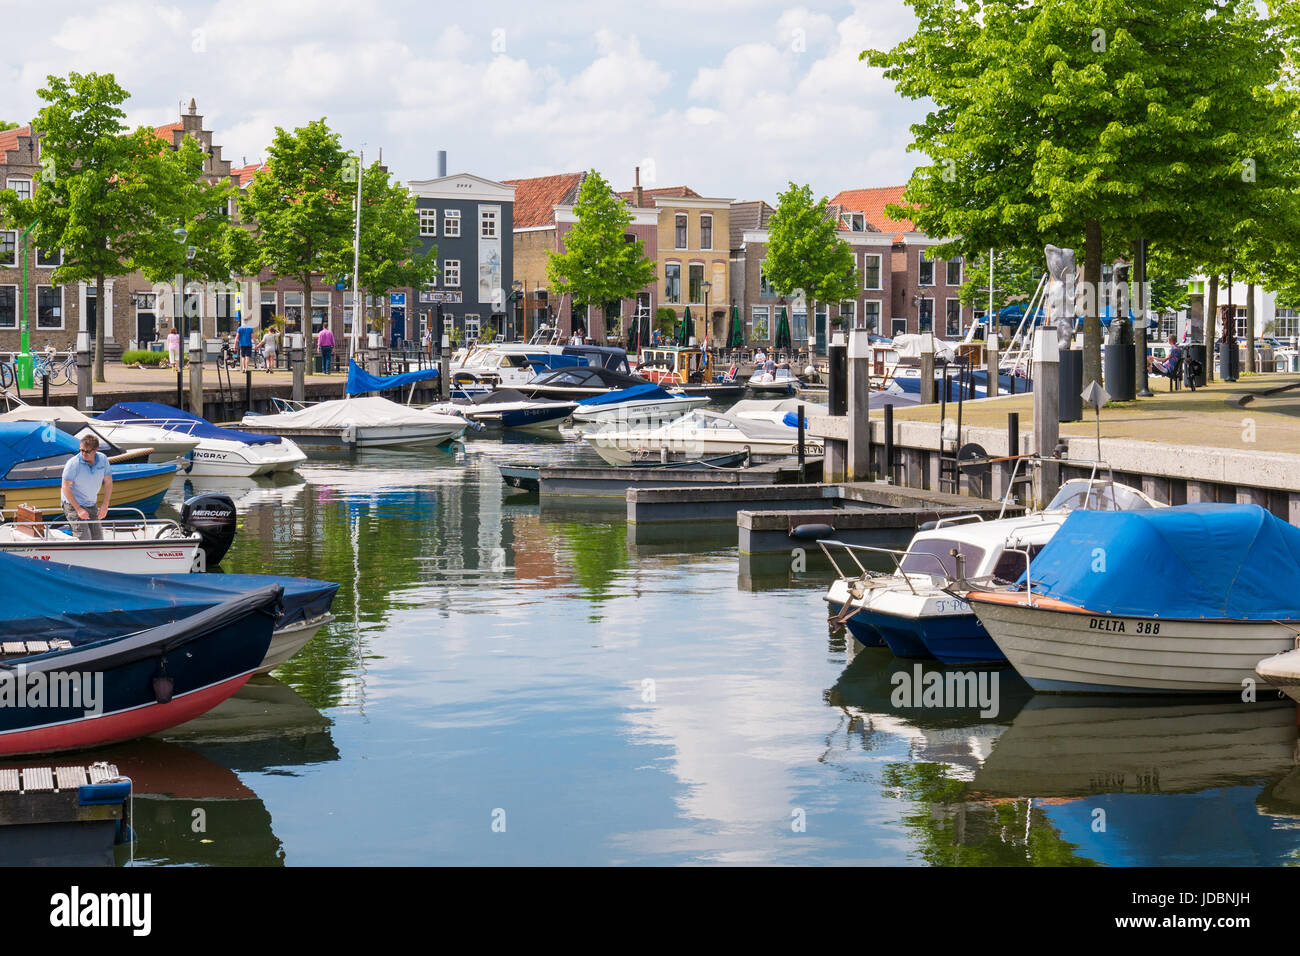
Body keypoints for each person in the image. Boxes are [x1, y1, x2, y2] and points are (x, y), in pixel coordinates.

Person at [60, 434, 112, 542]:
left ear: (95, 450)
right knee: (84, 539)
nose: (83, 453)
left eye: (87, 451)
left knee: (98, 539)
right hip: (73, 504)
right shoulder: (73, 464)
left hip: (91, 503)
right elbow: (65, 487)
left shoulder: (103, 459)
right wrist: (78, 509)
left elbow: (108, 482)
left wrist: (105, 505)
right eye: (81, 450)